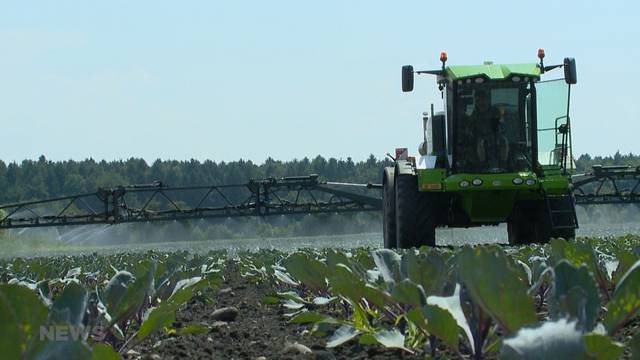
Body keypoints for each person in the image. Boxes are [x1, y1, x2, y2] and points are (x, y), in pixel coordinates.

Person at [461, 89, 509, 170]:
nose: (480, 102)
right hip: (480, 137)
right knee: (481, 143)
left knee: (504, 140)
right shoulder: (475, 114)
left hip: (495, 135)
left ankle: (503, 163)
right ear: (476, 102)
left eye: (482, 99)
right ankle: (482, 164)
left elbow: (500, 125)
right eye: (478, 100)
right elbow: (469, 129)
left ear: (486, 100)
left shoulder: (494, 111)